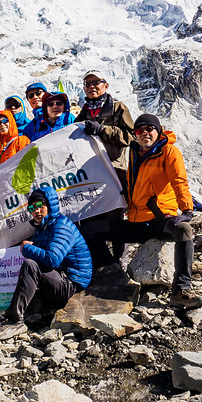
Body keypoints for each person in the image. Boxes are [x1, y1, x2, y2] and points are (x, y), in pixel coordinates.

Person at [113, 114, 202, 309]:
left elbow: (179, 181)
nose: (145, 133)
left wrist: (187, 209)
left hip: (159, 218)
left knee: (183, 230)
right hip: (136, 219)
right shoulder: (133, 152)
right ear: (135, 134)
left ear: (158, 131)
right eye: (140, 130)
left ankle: (181, 290)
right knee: (99, 230)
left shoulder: (169, 152)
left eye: (149, 129)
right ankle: (110, 276)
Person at [0, 186, 93, 341]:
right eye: (32, 208)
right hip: (62, 277)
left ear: (49, 206)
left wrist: (28, 249)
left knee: (30, 265)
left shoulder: (61, 227)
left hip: (73, 285)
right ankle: (16, 315)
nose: (36, 211)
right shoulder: (44, 228)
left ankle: (15, 321)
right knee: (30, 270)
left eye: (39, 206)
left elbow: (52, 259)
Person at [76, 71, 136, 268]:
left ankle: (121, 262)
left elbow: (131, 136)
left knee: (116, 216)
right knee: (91, 219)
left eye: (96, 82)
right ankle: (103, 264)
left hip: (114, 171)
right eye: (88, 83)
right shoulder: (83, 113)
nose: (92, 86)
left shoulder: (118, 108)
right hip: (91, 173)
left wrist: (103, 130)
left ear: (106, 86)